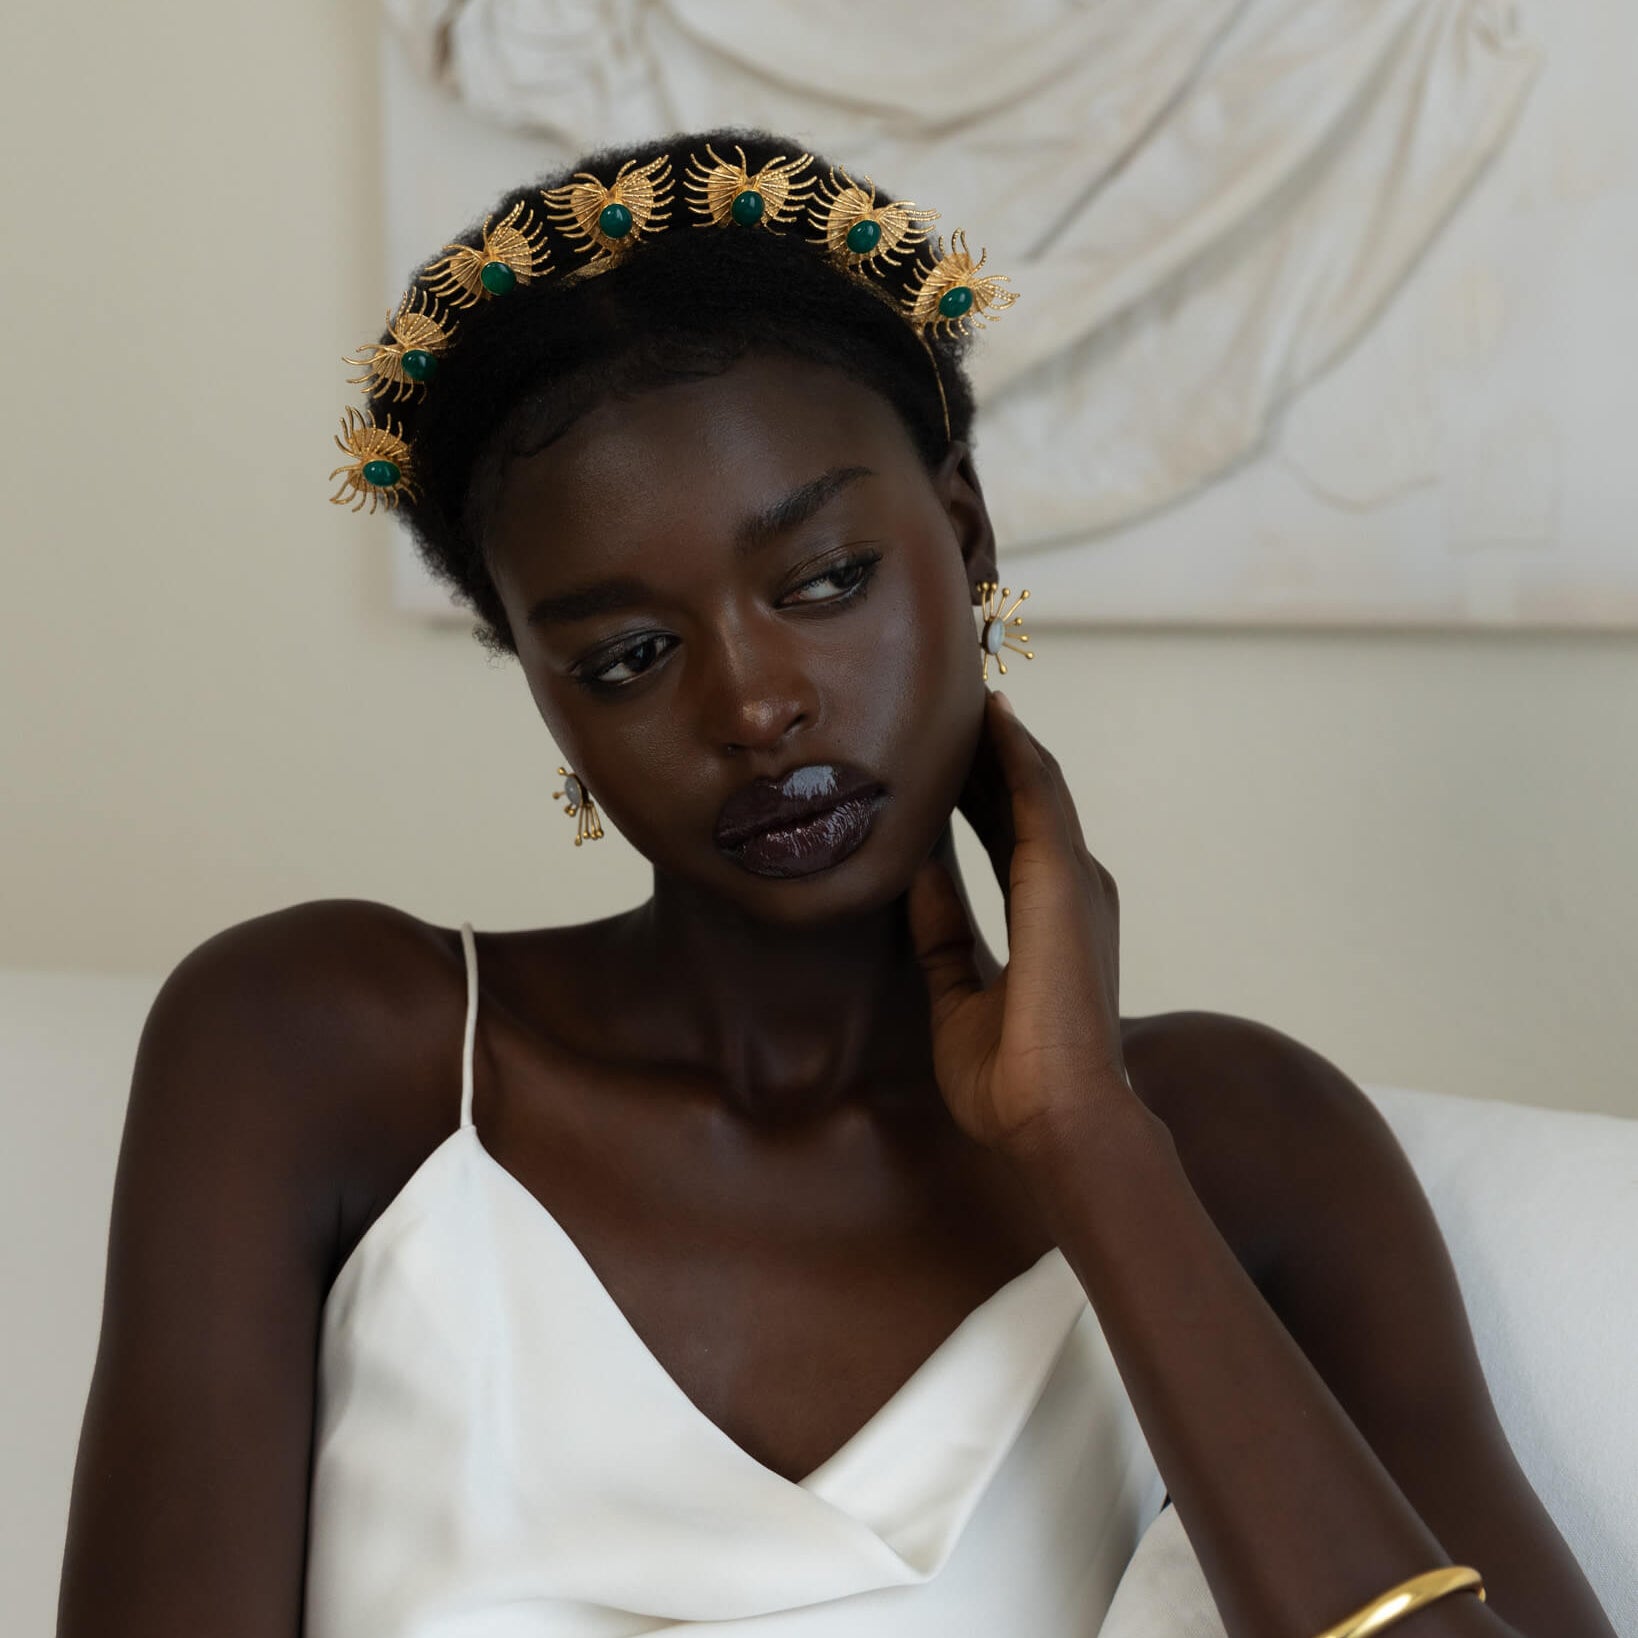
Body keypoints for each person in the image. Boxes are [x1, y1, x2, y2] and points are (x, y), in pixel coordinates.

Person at [56, 128, 1615, 1638]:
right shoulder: (316, 1050)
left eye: (821, 582)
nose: (752, 704)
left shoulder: (1245, 1144)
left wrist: (1091, 1153)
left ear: (961, 529)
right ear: (541, 688)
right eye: (626, 656)